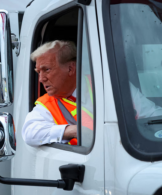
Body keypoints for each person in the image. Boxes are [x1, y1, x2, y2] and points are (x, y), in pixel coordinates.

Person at [22, 40, 162, 147]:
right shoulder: (47, 103)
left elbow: (154, 115)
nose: (41, 79)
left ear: (71, 69)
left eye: (46, 70)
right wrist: (72, 131)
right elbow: (29, 133)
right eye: (38, 72)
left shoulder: (111, 87)